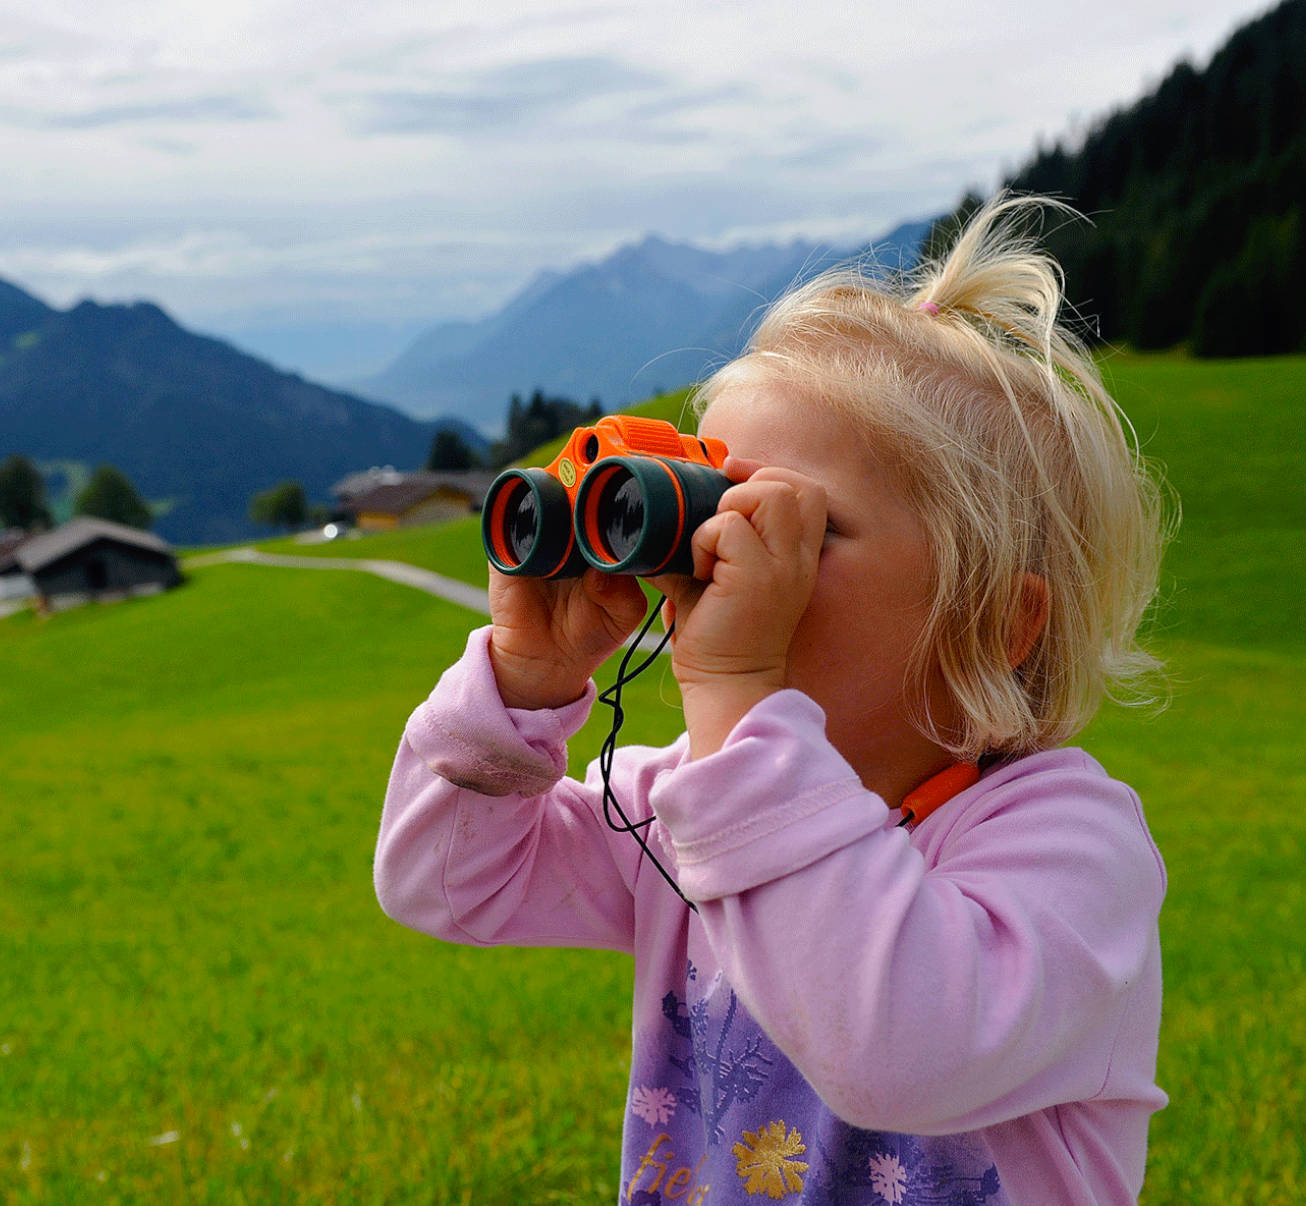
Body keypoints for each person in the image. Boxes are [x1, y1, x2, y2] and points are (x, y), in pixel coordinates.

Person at [375, 192, 1172, 1205]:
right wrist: (525, 680)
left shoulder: (1071, 845)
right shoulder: (688, 803)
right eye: (715, 502)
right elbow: (446, 885)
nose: (723, 554)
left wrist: (739, 701)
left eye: (800, 527)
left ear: (993, 621)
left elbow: (894, 1055)